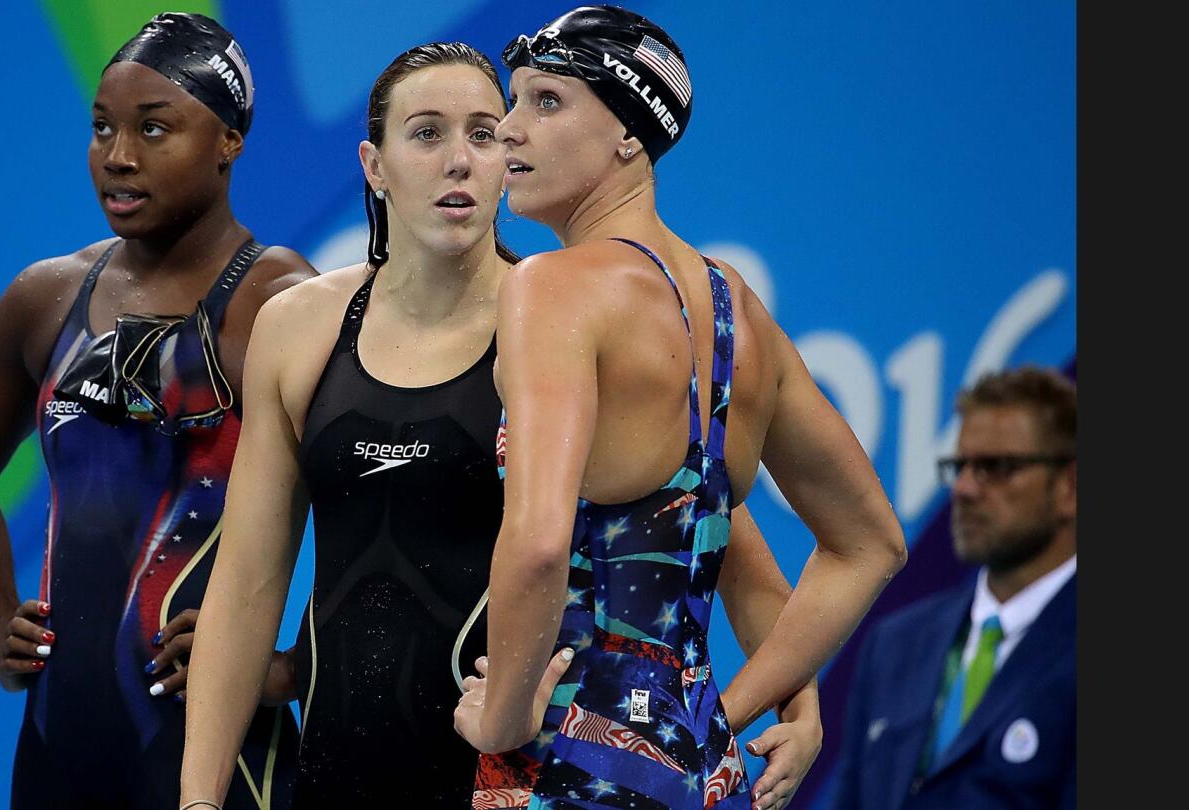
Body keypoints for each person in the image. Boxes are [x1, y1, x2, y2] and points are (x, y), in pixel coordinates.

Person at [180, 39, 822, 810]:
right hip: (332, 775)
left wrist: (800, 702)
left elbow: (705, 535)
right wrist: (199, 800)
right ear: (373, 166)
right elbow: (248, 583)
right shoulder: (299, 328)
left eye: (484, 133)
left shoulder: (561, 327)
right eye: (426, 134)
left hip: (514, 782)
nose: (461, 160)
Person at [450, 7, 907, 810]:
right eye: (513, 100)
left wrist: (504, 715)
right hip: (693, 768)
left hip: (567, 762)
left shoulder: (552, 288)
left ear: (630, 134)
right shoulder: (737, 311)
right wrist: (730, 715)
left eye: (546, 102)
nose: (508, 128)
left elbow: (538, 544)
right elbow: (866, 543)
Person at [0, 13, 310, 809]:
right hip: (61, 742)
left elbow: (382, 507)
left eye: (155, 128)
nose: (118, 156)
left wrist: (294, 665)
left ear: (229, 141)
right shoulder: (46, 297)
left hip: (218, 749)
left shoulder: (279, 303)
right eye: (102, 128)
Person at [829, 366, 1076, 809]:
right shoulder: (894, 645)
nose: (963, 489)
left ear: (1070, 488)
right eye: (960, 466)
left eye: (996, 468)